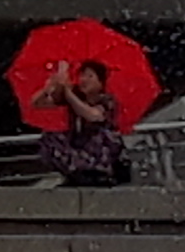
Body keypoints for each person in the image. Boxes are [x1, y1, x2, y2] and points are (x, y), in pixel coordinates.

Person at [31, 56, 131, 188]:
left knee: (101, 137)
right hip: (78, 145)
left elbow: (93, 115)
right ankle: (75, 173)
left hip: (102, 152)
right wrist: (52, 85)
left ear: (101, 82)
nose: (84, 80)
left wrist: (68, 92)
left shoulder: (107, 100)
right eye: (82, 75)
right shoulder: (76, 94)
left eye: (90, 76)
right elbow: (38, 103)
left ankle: (99, 173)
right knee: (50, 138)